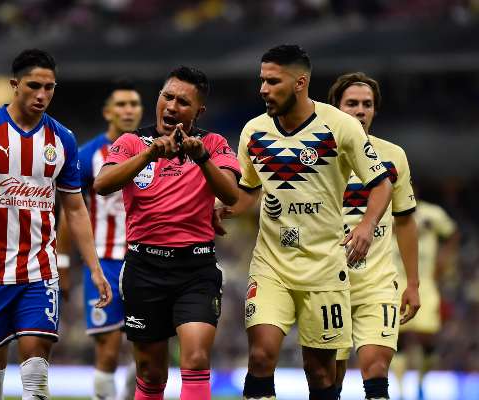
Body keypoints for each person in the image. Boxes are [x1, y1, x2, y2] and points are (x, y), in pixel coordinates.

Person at [216, 45, 393, 400]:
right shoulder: (254, 131)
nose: (263, 89)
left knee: (320, 370)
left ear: (300, 83)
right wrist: (227, 207)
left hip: (325, 267)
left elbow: (382, 184)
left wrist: (365, 226)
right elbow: (250, 190)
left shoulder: (340, 127)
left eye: (272, 81)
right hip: (272, 264)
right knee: (262, 354)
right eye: (261, 80)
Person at [0, 48, 112, 400]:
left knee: (35, 375)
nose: (42, 95)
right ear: (14, 85)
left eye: (50, 88)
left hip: (40, 271)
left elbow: (77, 209)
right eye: (34, 85)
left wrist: (94, 267)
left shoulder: (63, 139)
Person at [93, 66, 240, 400]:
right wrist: (150, 153)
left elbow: (231, 194)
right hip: (144, 268)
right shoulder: (131, 142)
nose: (172, 106)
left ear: (198, 110)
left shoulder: (213, 144)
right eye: (167, 96)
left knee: (197, 359)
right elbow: (102, 184)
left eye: (183, 102)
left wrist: (201, 158)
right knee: (150, 371)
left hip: (196, 269)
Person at [327, 72, 421, 400]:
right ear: (335, 108)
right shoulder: (317, 157)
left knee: (376, 367)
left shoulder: (394, 156)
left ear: (375, 111)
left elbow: (406, 222)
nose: (360, 110)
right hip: (326, 281)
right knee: (328, 378)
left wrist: (413, 283)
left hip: (377, 282)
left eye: (367, 104)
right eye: (351, 103)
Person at [57, 79, 143, 400]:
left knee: (145, 348)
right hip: (103, 263)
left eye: (134, 104)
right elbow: (70, 210)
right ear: (108, 112)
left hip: (143, 260)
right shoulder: (89, 154)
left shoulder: (152, 149)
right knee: (107, 348)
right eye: (121, 104)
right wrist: (63, 262)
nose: (128, 110)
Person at [391, 196, 459, 400]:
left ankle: (421, 382)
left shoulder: (432, 213)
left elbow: (452, 234)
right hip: (394, 280)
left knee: (427, 336)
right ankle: (401, 390)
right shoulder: (385, 210)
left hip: (424, 281)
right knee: (397, 338)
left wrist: (445, 261)